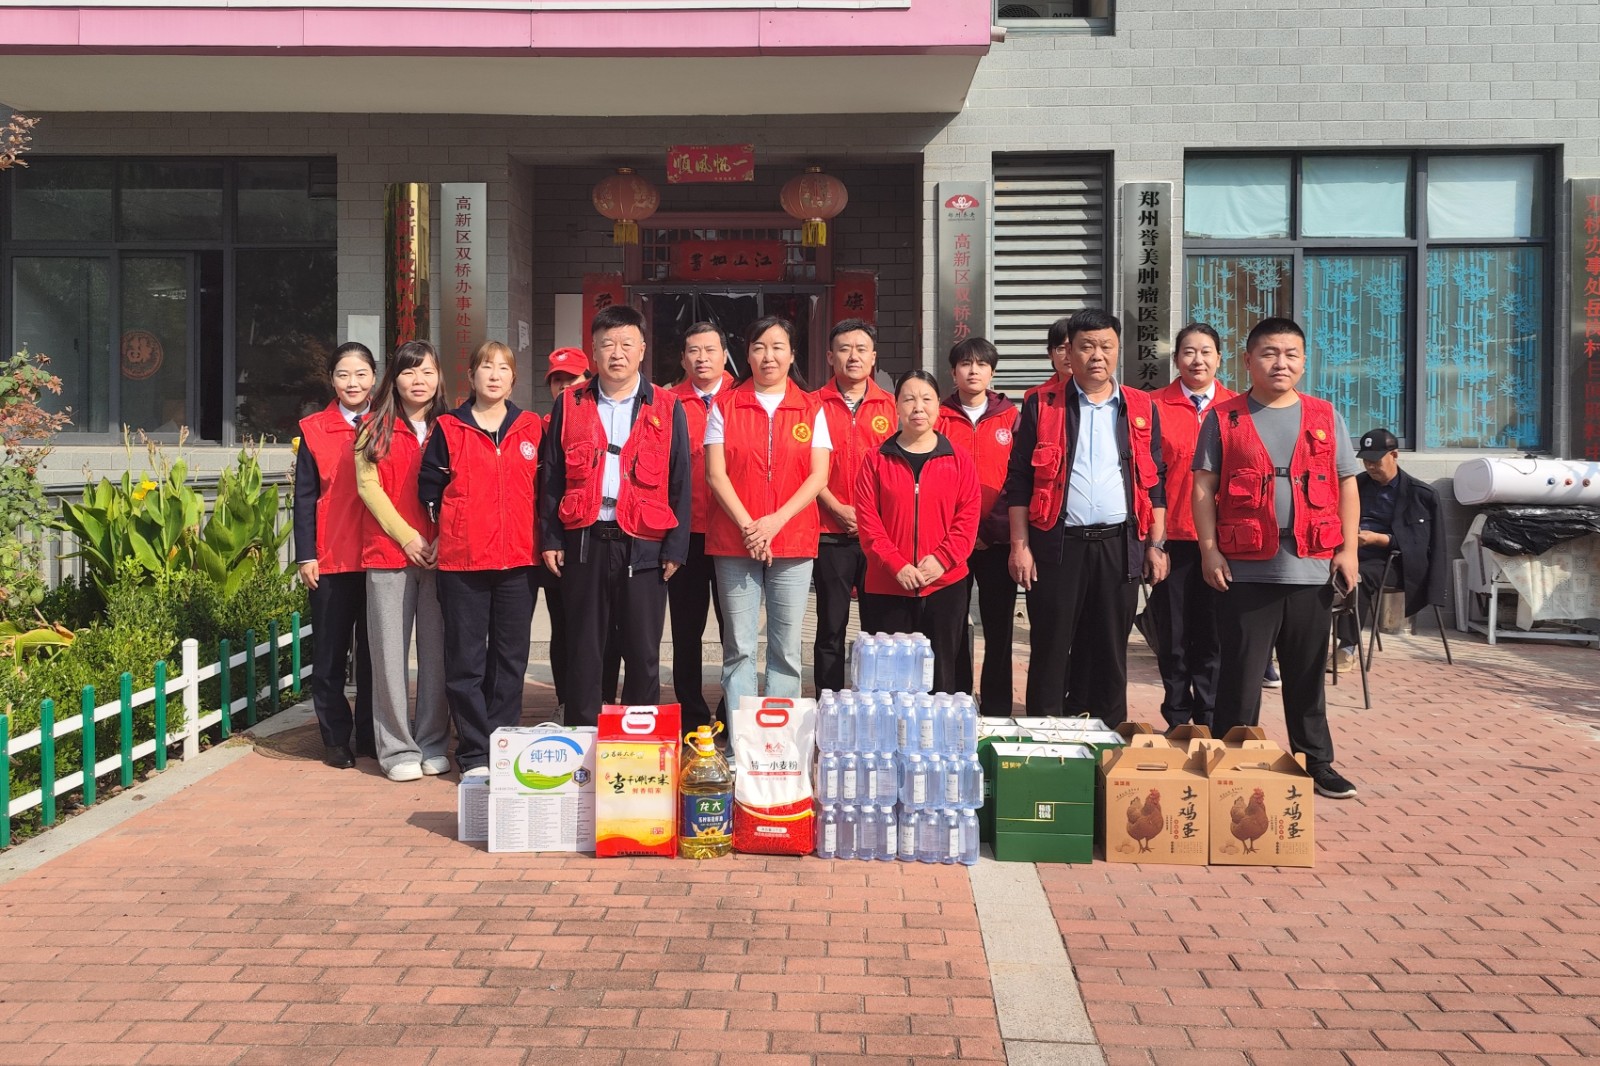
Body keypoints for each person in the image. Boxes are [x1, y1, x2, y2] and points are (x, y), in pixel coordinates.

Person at [1191, 316, 1361, 800]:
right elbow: (1202, 488)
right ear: (1248, 361)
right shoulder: (1224, 418)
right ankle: (1231, 761)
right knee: (1240, 678)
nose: (1280, 363)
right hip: (1245, 569)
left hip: (1312, 566)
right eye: (1269, 353)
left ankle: (1317, 762)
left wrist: (1348, 550)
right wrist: (1209, 550)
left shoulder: (1325, 416)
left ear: (1304, 362)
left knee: (1307, 676)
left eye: (1290, 354)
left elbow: (1347, 485)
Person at [1003, 309, 1167, 727]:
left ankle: (1106, 737)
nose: (1097, 355)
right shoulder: (1043, 404)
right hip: (1058, 546)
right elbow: (1019, 480)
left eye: (1106, 346)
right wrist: (1020, 546)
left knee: (1110, 649)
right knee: (1051, 646)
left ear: (1118, 350)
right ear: (1069, 353)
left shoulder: (1141, 406)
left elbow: (1155, 482)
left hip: (1120, 544)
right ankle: (1044, 735)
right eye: (1086, 346)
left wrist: (1155, 545)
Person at [539, 305, 692, 728]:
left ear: (642, 349)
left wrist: (676, 546)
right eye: (608, 344)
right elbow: (552, 476)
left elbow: (680, 478)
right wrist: (551, 537)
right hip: (584, 539)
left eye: (627, 344)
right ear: (594, 350)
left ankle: (637, 741)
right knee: (585, 649)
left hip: (643, 543)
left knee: (642, 651)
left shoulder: (667, 405)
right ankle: (585, 736)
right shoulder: (570, 403)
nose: (617, 353)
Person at [418, 340, 543, 776]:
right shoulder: (449, 427)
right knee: (466, 661)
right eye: (486, 367)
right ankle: (473, 752)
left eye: (503, 368)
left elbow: (545, 489)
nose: (494, 375)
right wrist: (442, 531)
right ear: (470, 376)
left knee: (510, 660)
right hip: (463, 562)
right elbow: (428, 489)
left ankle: (501, 745)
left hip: (519, 561)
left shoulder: (531, 427)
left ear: (513, 378)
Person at [705, 316, 830, 713]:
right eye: (759, 347)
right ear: (747, 355)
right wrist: (750, 528)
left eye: (778, 347)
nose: (768, 356)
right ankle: (743, 734)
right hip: (734, 540)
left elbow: (819, 475)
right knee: (739, 646)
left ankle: (780, 734)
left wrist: (775, 522)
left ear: (792, 355)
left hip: (793, 539)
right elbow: (715, 474)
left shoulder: (812, 408)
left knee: (786, 646)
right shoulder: (724, 405)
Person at [354, 339, 449, 782]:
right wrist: (408, 536)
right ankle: (395, 749)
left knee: (437, 653)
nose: (418, 380)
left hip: (442, 556)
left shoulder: (452, 426)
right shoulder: (372, 426)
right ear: (394, 379)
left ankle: (433, 741)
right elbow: (368, 488)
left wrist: (443, 536)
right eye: (409, 371)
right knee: (389, 655)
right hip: (389, 552)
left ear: (439, 377)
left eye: (427, 371)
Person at [855, 369, 981, 693]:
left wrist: (942, 560)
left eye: (926, 399)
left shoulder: (959, 460)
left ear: (939, 405)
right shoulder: (875, 460)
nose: (918, 407)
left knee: (943, 675)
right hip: (887, 584)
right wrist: (896, 565)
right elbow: (868, 522)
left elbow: (967, 518)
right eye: (909, 399)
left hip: (944, 584)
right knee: (888, 679)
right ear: (896, 406)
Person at [1145, 323, 1237, 730]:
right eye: (1188, 352)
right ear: (1176, 358)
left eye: (1206, 352)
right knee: (1174, 636)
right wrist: (1154, 540)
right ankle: (1178, 716)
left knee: (1215, 634)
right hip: (1173, 537)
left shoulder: (1238, 408)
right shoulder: (1153, 406)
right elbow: (1148, 476)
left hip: (1224, 540)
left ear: (1220, 358)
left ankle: (1212, 717)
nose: (1197, 360)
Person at [294, 341, 377, 769]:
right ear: (332, 380)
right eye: (344, 375)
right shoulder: (314, 429)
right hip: (331, 558)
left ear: (374, 378)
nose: (353, 382)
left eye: (361, 374)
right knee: (329, 654)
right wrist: (306, 554)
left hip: (379, 555)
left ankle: (371, 735)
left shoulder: (389, 423)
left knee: (374, 655)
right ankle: (335, 739)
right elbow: (304, 498)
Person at [936, 337, 1020, 716]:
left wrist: (989, 531)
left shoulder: (1011, 418)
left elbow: (1017, 479)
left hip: (998, 542)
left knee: (999, 626)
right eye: (965, 364)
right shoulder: (938, 417)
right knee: (951, 624)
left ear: (992, 372)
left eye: (981, 364)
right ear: (953, 372)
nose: (973, 371)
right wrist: (963, 531)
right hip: (951, 542)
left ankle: (998, 706)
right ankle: (955, 701)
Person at [811, 319, 897, 691]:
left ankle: (874, 701)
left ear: (873, 357)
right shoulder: (812, 405)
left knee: (879, 629)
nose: (853, 356)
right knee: (831, 625)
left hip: (878, 537)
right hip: (828, 532)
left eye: (861, 349)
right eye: (844, 349)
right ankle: (827, 701)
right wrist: (835, 506)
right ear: (830, 356)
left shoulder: (891, 407)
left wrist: (868, 517)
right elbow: (803, 469)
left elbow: (898, 471)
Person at [667, 323, 736, 732]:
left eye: (710, 350)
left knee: (735, 631)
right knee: (686, 629)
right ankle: (691, 714)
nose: (702, 358)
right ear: (682, 358)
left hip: (734, 534)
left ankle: (731, 711)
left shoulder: (743, 398)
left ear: (724, 355)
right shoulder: (667, 402)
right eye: (693, 351)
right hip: (686, 534)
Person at [1336, 428, 1449, 655]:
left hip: (1397, 563)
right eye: (1366, 461)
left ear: (1394, 455)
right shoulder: (1356, 485)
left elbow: (1420, 543)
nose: (1370, 467)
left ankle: (1347, 648)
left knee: (1357, 576)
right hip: (1353, 550)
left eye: (1376, 461)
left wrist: (1379, 539)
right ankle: (1305, 646)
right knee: (1315, 572)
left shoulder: (1420, 494)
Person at [538, 346, 594, 720]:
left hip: (591, 541)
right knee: (562, 627)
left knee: (595, 628)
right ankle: (565, 701)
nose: (563, 387)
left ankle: (598, 699)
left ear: (587, 380)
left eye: (571, 379)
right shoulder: (539, 427)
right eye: (557, 380)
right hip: (553, 543)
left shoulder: (598, 424)